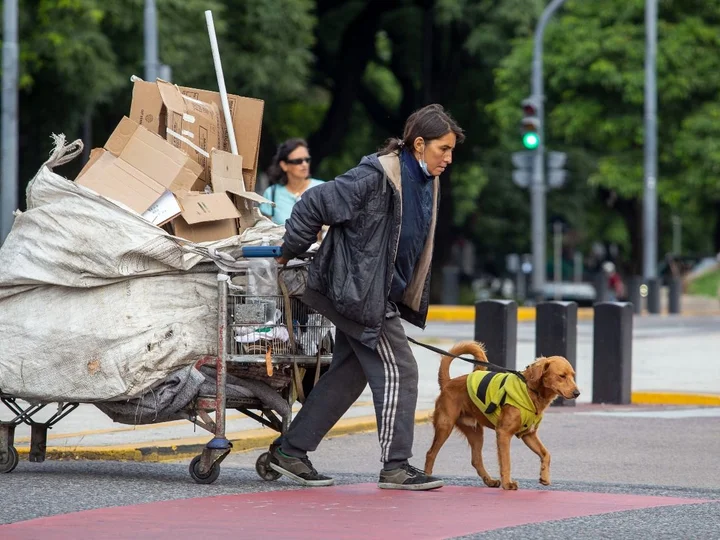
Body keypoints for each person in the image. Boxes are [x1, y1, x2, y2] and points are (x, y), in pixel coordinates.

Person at [267, 104, 465, 491]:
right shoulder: (375, 177)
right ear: (419, 144)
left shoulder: (426, 180)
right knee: (401, 370)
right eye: (443, 149)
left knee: (348, 374)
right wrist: (290, 249)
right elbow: (314, 202)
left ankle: (289, 452)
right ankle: (396, 466)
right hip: (358, 294)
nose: (449, 158)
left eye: (452, 150)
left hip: (374, 294)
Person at [260, 138, 324, 225]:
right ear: (284, 165)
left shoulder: (322, 189)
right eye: (298, 161)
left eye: (307, 160)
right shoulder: (271, 193)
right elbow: (265, 230)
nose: (304, 164)